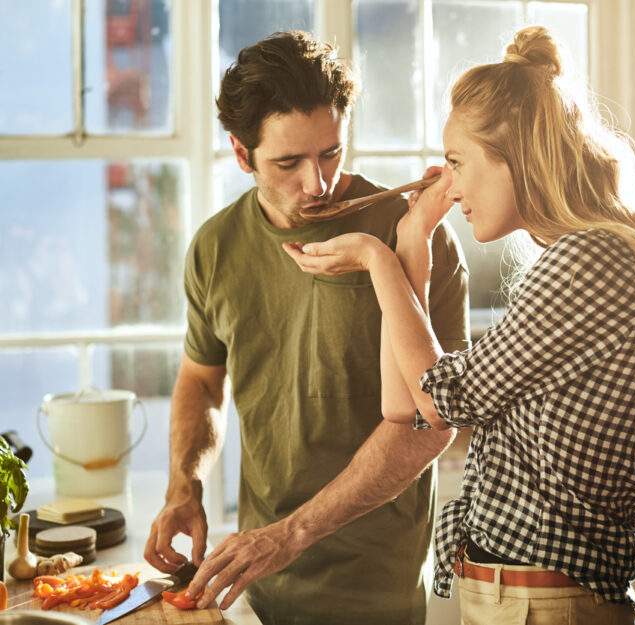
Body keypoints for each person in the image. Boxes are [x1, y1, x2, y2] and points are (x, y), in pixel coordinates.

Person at [282, 25, 635, 625]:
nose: (452, 186)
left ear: (515, 157)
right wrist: (412, 241)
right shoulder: (603, 253)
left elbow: (444, 399)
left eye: (458, 163)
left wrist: (375, 257)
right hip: (528, 598)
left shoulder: (589, 262)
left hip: (538, 604)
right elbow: (406, 404)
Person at [143, 30, 470, 625]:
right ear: (242, 156)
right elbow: (201, 379)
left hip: (376, 588)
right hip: (256, 585)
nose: (315, 183)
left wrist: (290, 535)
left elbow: (433, 424)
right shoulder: (214, 247)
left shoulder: (414, 235)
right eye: (288, 162)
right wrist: (183, 483)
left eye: (330, 153)